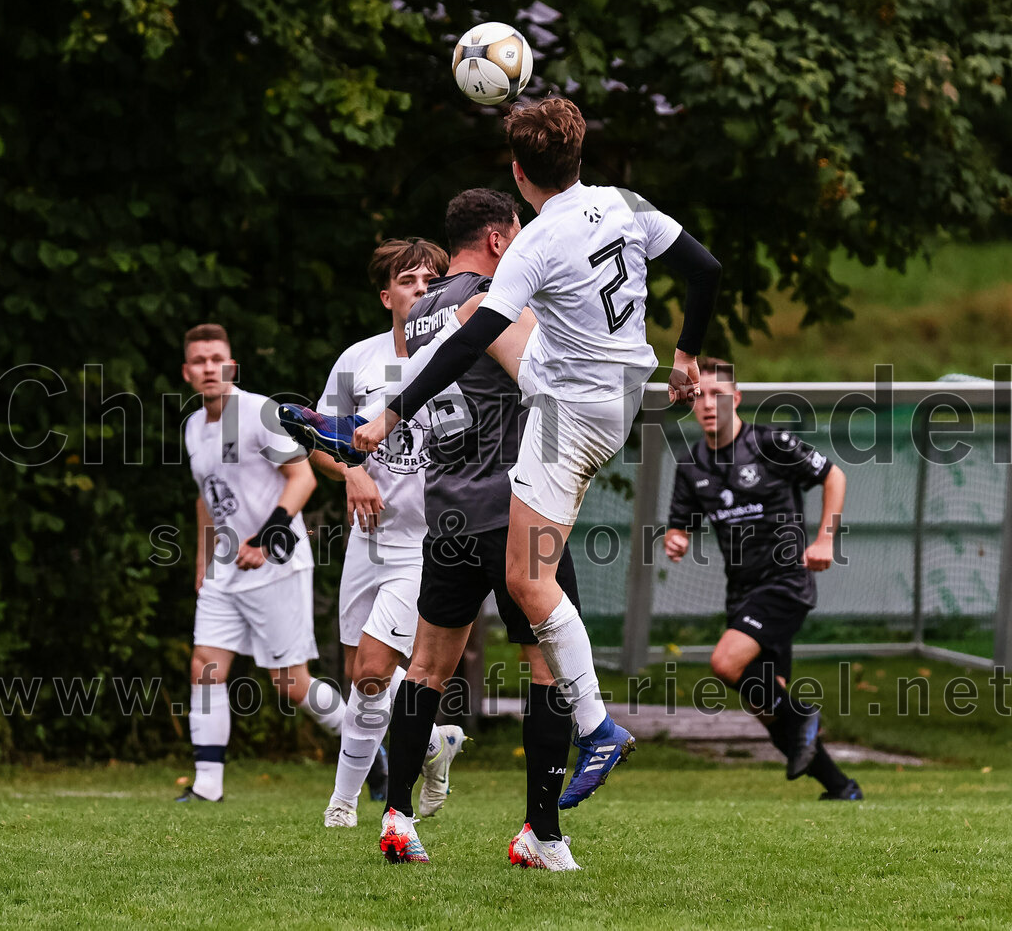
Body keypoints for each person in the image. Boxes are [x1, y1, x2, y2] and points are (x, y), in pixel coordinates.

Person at [343, 97, 722, 810]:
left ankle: (596, 727)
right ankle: (546, 808)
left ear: (519, 173)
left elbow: (469, 340)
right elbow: (706, 269)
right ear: (579, 156)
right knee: (527, 582)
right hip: (618, 399)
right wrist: (687, 354)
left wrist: (391, 412)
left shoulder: (535, 242)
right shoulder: (625, 204)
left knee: (527, 581)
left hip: (562, 419)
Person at [372, 189, 584, 869]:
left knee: (426, 667)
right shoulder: (492, 300)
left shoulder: (421, 310)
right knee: (549, 665)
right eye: (518, 232)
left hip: (448, 510)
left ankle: (397, 817)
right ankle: (542, 834)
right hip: (514, 508)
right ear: (498, 239)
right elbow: (540, 378)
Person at [308, 239, 465, 828]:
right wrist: (352, 472)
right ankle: (411, 758)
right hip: (367, 541)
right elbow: (319, 440)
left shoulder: (462, 356)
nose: (421, 290)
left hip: (427, 545)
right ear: (386, 296)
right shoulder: (359, 360)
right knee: (363, 680)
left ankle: (345, 802)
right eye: (408, 281)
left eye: (430, 281)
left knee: (373, 669)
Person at [664, 357, 862, 800]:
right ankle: (841, 788)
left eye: (718, 395)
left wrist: (825, 539)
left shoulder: (770, 444)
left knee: (725, 664)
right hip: (741, 591)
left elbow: (834, 475)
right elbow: (679, 525)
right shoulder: (692, 464)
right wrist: (675, 540)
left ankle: (803, 715)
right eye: (699, 397)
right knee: (768, 704)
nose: (708, 405)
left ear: (736, 399)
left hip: (785, 581)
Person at [179, 323, 342, 803]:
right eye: (200, 361)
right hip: (225, 570)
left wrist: (264, 540)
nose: (210, 368)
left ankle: (370, 749)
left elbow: (302, 479)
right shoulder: (193, 427)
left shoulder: (257, 412)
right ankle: (207, 785)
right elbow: (207, 498)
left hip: (276, 563)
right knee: (205, 666)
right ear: (187, 372)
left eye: (217, 359)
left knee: (291, 684)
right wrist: (203, 562)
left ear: (231, 365)